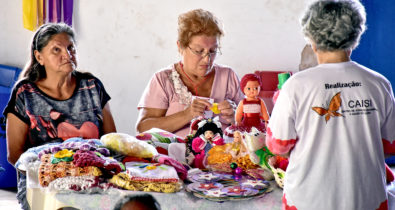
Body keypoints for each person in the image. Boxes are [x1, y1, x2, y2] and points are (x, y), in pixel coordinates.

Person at [266, 1, 395, 209]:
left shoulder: (294, 86)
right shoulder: (379, 83)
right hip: (367, 199)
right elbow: (390, 146)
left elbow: (278, 146)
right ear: (354, 39)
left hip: (307, 200)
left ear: (312, 40)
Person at [3, 23, 116, 209]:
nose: (67, 54)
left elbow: (110, 141)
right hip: (43, 183)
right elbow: (14, 154)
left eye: (71, 47)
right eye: (57, 49)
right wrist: (56, 175)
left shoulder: (92, 87)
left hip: (92, 179)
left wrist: (89, 174)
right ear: (39, 57)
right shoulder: (25, 93)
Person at [136, 9, 244, 138]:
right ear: (180, 47)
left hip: (222, 155)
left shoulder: (228, 77)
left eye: (213, 51)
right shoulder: (163, 80)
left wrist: (236, 116)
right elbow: (142, 128)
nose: (207, 59)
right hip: (173, 156)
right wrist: (187, 114)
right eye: (199, 51)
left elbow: (253, 127)